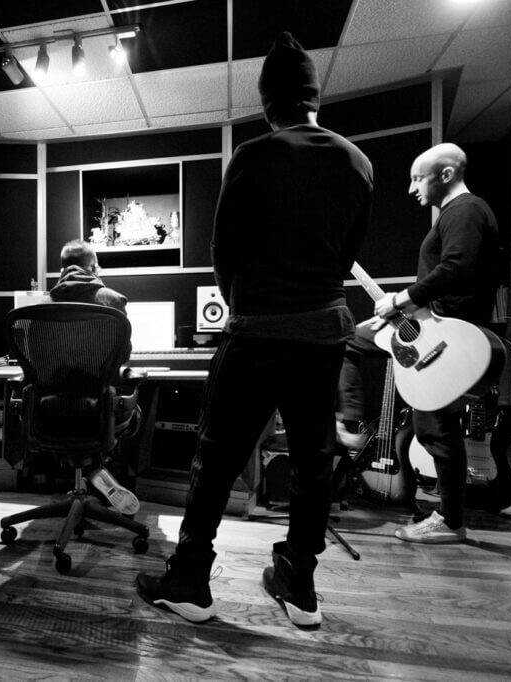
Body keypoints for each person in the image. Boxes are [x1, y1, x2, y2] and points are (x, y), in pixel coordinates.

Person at [135, 32, 373, 627]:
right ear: (314, 97)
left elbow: (223, 250)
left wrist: (241, 303)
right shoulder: (358, 162)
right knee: (313, 461)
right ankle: (299, 584)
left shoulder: (252, 155)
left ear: (268, 103)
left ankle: (189, 581)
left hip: (258, 332)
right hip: (323, 334)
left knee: (216, 458)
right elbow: (347, 252)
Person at [374, 142, 500, 544]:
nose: (411, 188)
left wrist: (402, 300)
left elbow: (457, 268)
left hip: (448, 340)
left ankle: (450, 520)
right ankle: (447, 516)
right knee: (361, 340)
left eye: (418, 178)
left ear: (445, 175)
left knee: (436, 427)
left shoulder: (465, 210)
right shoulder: (458, 212)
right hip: (440, 333)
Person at [48, 238, 140, 516]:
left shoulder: (43, 305)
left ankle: (92, 473)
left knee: (78, 418)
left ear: (62, 270)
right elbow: (123, 356)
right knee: (132, 411)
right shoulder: (112, 300)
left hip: (50, 411)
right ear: (93, 268)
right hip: (97, 408)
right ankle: (100, 470)